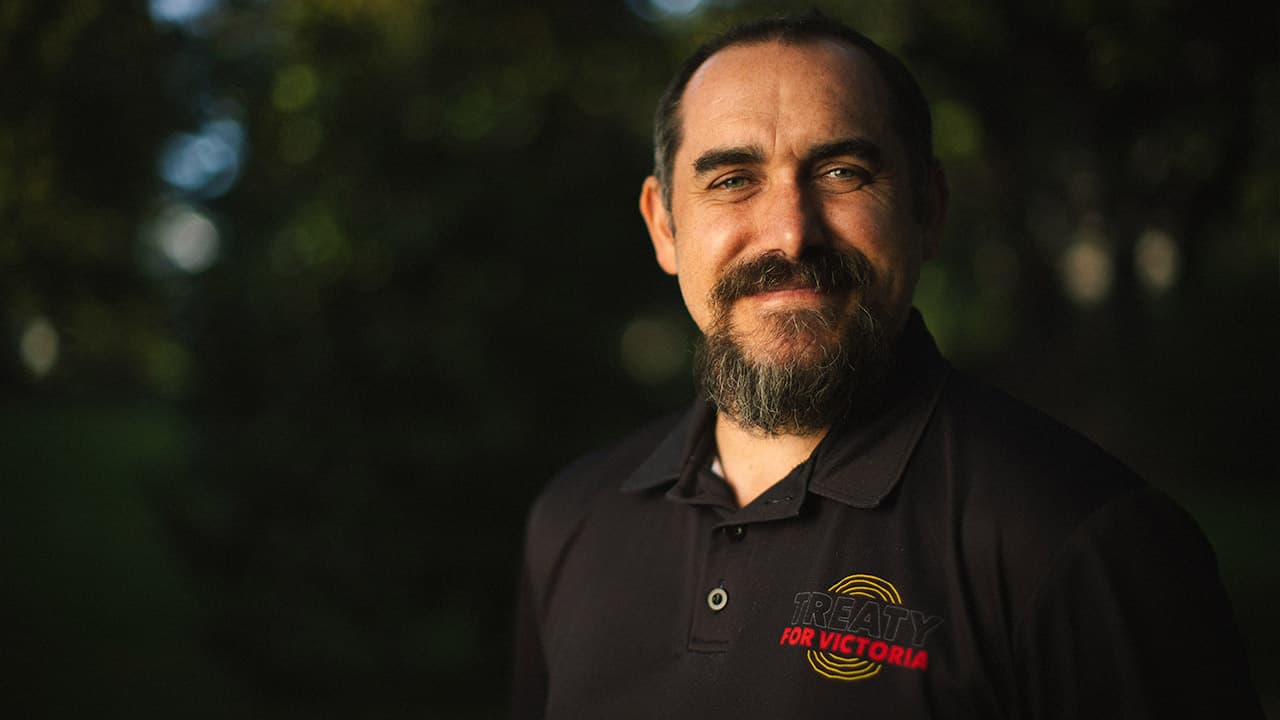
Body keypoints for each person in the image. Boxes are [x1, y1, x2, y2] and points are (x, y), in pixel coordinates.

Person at [512, 13, 1262, 719]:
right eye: (733, 179)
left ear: (928, 210)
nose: (789, 234)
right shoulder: (574, 517)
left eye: (841, 172)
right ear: (664, 225)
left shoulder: (1080, 538)